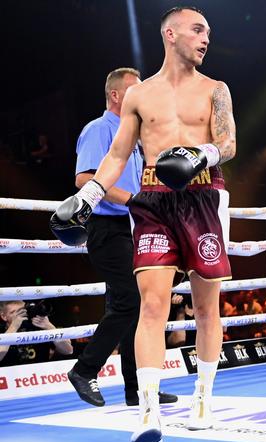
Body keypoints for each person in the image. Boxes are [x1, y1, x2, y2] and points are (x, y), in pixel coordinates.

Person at [50, 6, 235, 442]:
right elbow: (116, 156)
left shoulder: (216, 89)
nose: (205, 38)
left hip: (203, 195)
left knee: (207, 307)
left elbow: (228, 143)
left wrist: (201, 155)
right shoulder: (139, 95)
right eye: (197, 29)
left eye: (207, 31)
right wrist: (88, 197)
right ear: (170, 34)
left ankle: (204, 399)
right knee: (151, 306)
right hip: (152, 200)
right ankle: (148, 410)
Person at [66, 67, 177, 409]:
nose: (142, 95)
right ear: (116, 95)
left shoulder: (134, 134)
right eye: (135, 89)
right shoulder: (99, 129)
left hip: (131, 227)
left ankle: (138, 389)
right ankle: (84, 370)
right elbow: (84, 179)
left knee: (136, 305)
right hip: (106, 227)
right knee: (131, 301)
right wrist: (131, 200)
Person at [0, 301, 73, 366]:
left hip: (40, 377)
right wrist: (13, 328)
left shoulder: (39, 327)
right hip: (11, 378)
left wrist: (50, 327)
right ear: (3, 316)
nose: (20, 315)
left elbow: (68, 350)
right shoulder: (2, 331)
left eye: (22, 311)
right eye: (13, 312)